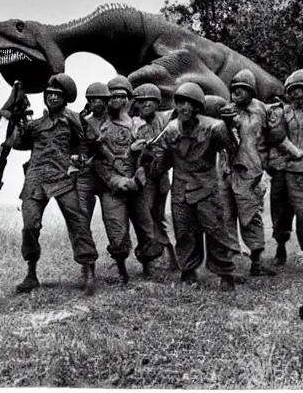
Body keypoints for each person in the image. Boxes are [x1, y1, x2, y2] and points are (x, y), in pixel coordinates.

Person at [13, 73, 99, 295]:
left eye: (57, 95)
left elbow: (86, 144)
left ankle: (88, 270)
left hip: (63, 177)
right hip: (35, 179)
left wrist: (78, 163)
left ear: (65, 99)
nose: (52, 98)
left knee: (78, 221)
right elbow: (18, 144)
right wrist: (17, 122)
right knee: (30, 226)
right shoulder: (36, 124)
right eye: (49, 94)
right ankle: (31, 274)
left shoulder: (73, 120)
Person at [152, 82, 238, 291]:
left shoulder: (213, 127)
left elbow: (232, 147)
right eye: (181, 103)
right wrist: (153, 166)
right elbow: (164, 158)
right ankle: (188, 271)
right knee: (184, 233)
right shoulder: (171, 129)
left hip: (206, 187)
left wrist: (228, 126)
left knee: (216, 232)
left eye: (189, 104)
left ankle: (225, 274)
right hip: (181, 189)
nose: (184, 108)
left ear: (198, 107)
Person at [94, 75, 154, 283]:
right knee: (116, 231)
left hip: (138, 185)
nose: (115, 101)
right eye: (111, 97)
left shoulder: (140, 125)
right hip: (112, 186)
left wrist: (141, 168)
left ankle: (148, 265)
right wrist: (116, 181)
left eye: (120, 96)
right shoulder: (99, 126)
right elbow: (98, 162)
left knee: (146, 229)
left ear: (128, 99)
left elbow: (151, 156)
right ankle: (121, 269)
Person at [219, 69, 276, 276]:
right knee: (226, 214)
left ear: (252, 91)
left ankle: (256, 260)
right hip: (226, 169)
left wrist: (233, 121)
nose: (238, 93)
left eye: (243, 89)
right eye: (235, 89)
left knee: (250, 214)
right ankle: (234, 259)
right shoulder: (227, 110)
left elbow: (251, 130)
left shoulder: (258, 109)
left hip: (249, 170)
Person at [129, 83, 178, 273]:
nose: (146, 104)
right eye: (141, 102)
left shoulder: (166, 119)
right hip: (144, 177)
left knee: (158, 217)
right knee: (145, 218)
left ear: (157, 102)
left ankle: (170, 257)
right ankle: (151, 260)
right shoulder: (134, 124)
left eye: (150, 100)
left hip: (161, 176)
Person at [267, 69, 303, 264]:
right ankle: (280, 248)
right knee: (280, 211)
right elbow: (275, 135)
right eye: (294, 89)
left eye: (301, 89)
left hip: (301, 172)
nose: (298, 94)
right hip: (282, 168)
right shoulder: (281, 111)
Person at [76, 82, 110, 227]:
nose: (95, 103)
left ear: (105, 101)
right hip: (87, 174)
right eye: (92, 100)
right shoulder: (84, 122)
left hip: (108, 174)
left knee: (113, 222)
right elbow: (79, 147)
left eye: (98, 100)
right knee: (81, 221)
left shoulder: (113, 121)